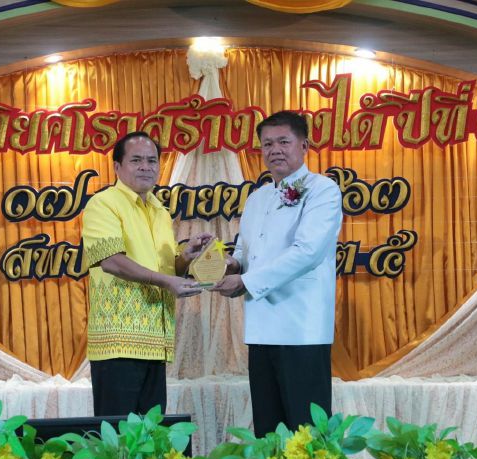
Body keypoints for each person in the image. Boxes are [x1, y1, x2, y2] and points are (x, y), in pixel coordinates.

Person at [213, 111, 343, 437]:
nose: (275, 150)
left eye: (283, 142)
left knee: (306, 432)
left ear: (304, 146)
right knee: (268, 431)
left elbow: (308, 252)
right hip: (260, 328)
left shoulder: (322, 190)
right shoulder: (257, 198)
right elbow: (244, 253)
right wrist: (227, 264)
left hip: (301, 328)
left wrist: (246, 281)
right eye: (267, 144)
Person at [81, 131, 211, 416]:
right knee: (118, 435)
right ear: (117, 166)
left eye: (152, 161)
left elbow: (165, 269)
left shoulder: (159, 210)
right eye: (136, 160)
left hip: (155, 342)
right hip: (118, 343)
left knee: (152, 435)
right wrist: (167, 280)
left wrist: (185, 258)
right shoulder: (103, 204)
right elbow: (111, 261)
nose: (146, 167)